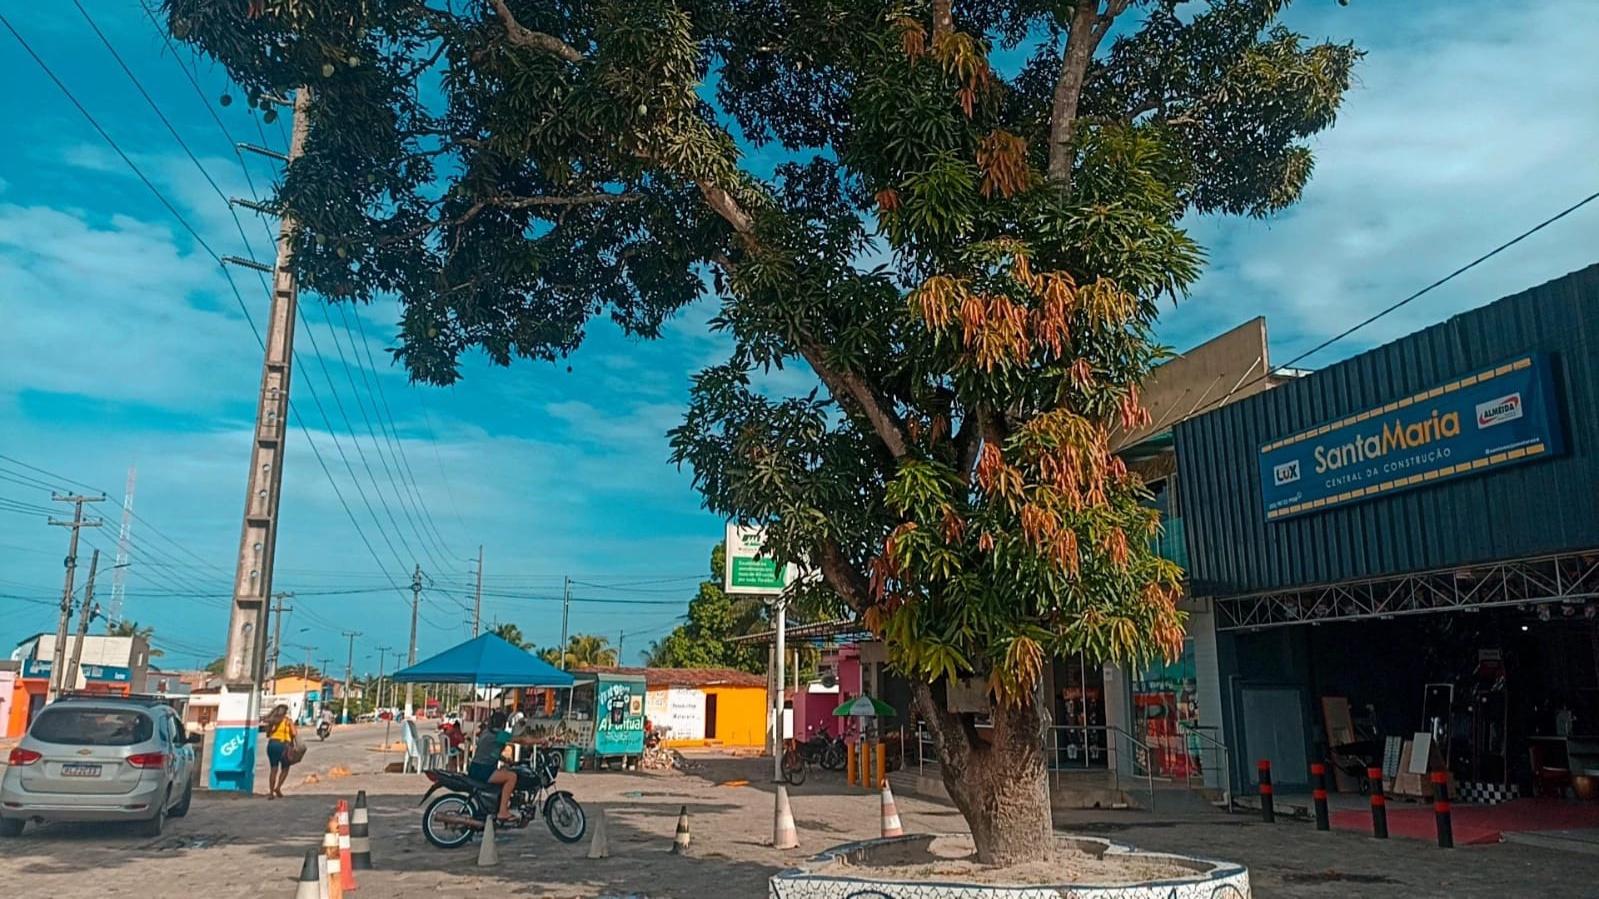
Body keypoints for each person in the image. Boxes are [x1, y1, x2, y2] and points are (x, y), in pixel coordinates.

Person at [467, 711, 539, 823]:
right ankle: (503, 811)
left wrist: (506, 760)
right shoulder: (499, 735)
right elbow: (522, 740)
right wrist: (540, 741)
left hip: (477, 768)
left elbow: (490, 752)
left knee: (506, 771)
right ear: (503, 724)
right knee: (512, 777)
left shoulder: (486, 732)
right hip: (483, 770)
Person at [264, 703, 297, 800]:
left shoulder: (272, 722)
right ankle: (278, 787)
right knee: (285, 768)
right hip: (284, 746)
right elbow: (294, 733)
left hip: (272, 745)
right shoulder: (287, 721)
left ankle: (271, 793)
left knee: (273, 769)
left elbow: (267, 735)